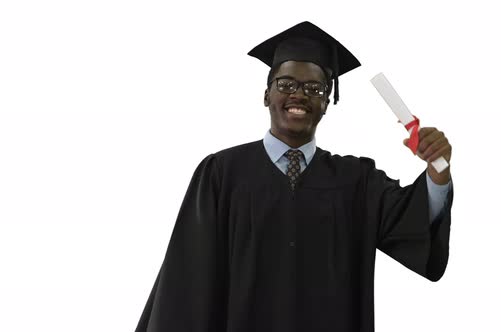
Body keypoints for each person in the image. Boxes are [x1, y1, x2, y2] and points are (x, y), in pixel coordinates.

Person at [135, 21, 453, 332]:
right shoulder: (221, 174)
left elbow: (414, 224)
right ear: (266, 94)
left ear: (327, 102)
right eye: (286, 84)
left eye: (314, 88)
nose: (299, 95)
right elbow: (187, 278)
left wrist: (438, 168)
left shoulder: (357, 181)